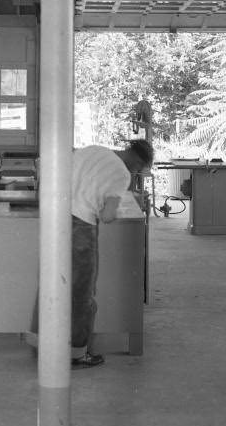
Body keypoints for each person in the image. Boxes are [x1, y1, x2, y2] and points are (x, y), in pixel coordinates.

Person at [68, 138, 154, 368]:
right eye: (139, 169)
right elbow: (107, 216)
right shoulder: (123, 175)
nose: (136, 173)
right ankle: (77, 354)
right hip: (81, 228)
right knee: (82, 294)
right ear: (138, 162)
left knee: (56, 284)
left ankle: (44, 346)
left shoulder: (94, 150)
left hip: (57, 218)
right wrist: (111, 208)